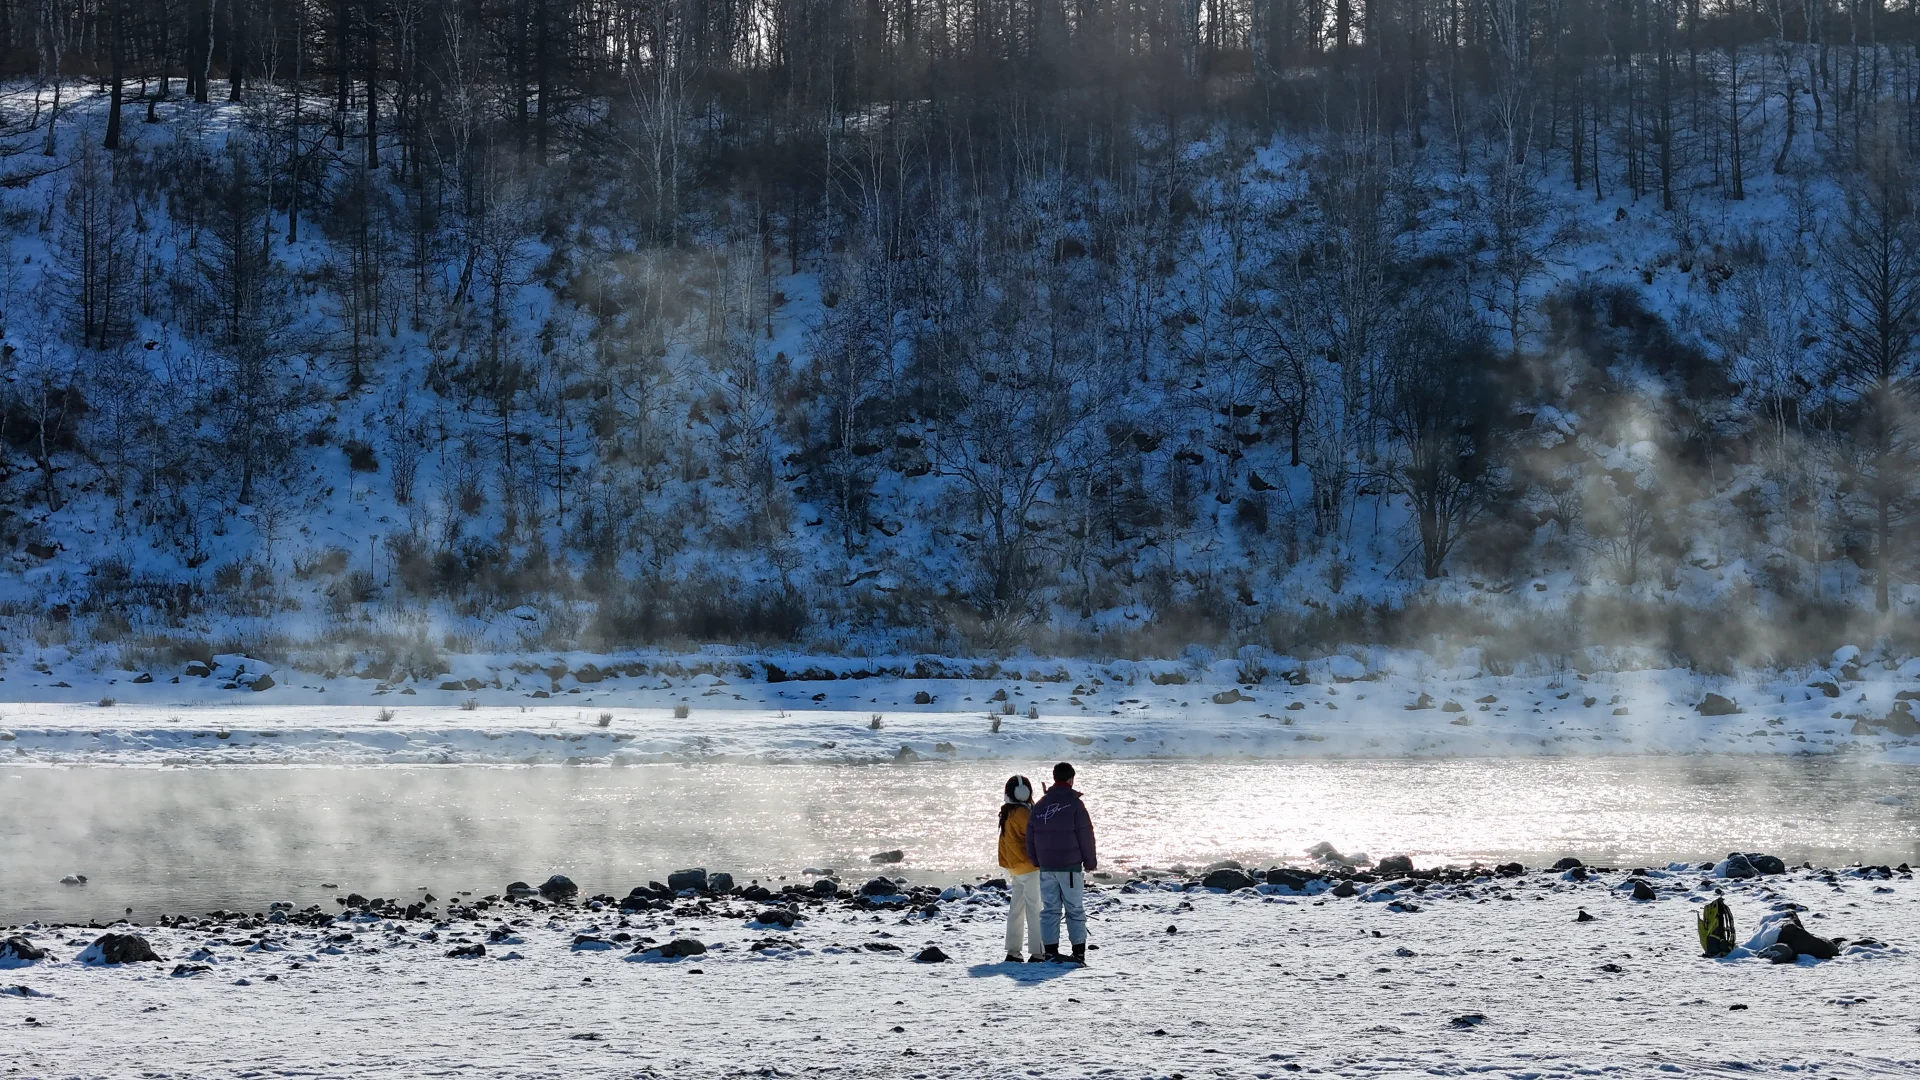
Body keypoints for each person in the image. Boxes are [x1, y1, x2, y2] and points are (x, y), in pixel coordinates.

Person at [1024, 761, 1097, 965]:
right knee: (1074, 909)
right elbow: (1085, 834)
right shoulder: (1075, 804)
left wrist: (1037, 860)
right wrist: (1090, 861)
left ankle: (1050, 952)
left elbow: (1029, 837)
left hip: (1047, 867)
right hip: (1070, 867)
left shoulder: (1040, 805)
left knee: (1050, 910)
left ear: (1055, 778)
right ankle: (1079, 953)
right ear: (1071, 779)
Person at [995, 774, 1043, 963]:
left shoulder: (1007, 812)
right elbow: (1036, 834)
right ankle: (1039, 951)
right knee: (1035, 908)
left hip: (1015, 867)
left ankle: (1013, 950)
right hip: (1030, 867)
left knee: (1016, 909)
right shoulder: (1024, 813)